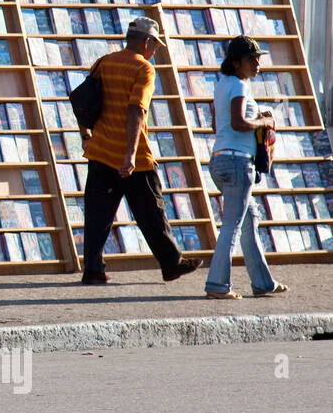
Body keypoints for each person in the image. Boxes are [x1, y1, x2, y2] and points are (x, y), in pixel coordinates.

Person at [79, 16, 202, 285]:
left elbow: (83, 99)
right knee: (152, 211)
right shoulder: (144, 69)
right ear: (146, 43)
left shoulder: (104, 62)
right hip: (133, 158)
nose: (155, 51)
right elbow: (137, 110)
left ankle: (93, 270)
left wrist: (85, 133)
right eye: (155, 46)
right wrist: (130, 155)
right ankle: (171, 264)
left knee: (98, 215)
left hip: (100, 152)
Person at [203, 36, 287, 299]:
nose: (257, 63)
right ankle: (217, 285)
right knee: (232, 226)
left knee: (249, 221)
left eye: (258, 58)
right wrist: (263, 121)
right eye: (252, 59)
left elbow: (218, 125)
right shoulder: (239, 86)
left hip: (219, 159)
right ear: (236, 62)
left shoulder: (222, 85)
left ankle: (263, 283)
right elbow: (239, 123)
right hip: (239, 162)